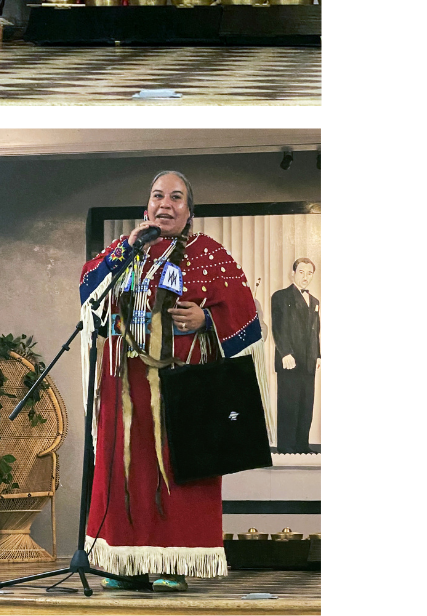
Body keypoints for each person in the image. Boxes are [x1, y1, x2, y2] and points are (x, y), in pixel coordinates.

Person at [79, 170, 261, 592]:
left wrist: (207, 318)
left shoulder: (209, 253)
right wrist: (125, 246)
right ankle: (122, 562)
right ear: (146, 207)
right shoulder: (127, 251)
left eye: (176, 197)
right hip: (124, 386)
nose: (166, 204)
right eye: (158, 196)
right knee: (125, 474)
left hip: (182, 389)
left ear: (189, 210)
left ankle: (171, 563)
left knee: (177, 472)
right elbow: (88, 288)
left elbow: (246, 316)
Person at [270, 257, 320, 454]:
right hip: (289, 360)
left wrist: (319, 356)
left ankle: (301, 445)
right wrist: (285, 353)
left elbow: (315, 331)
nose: (305, 277)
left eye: (309, 273)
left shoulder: (315, 301)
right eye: (301, 272)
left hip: (309, 361)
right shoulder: (280, 296)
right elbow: (278, 328)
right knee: (288, 404)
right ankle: (286, 446)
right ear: (293, 274)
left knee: (306, 404)